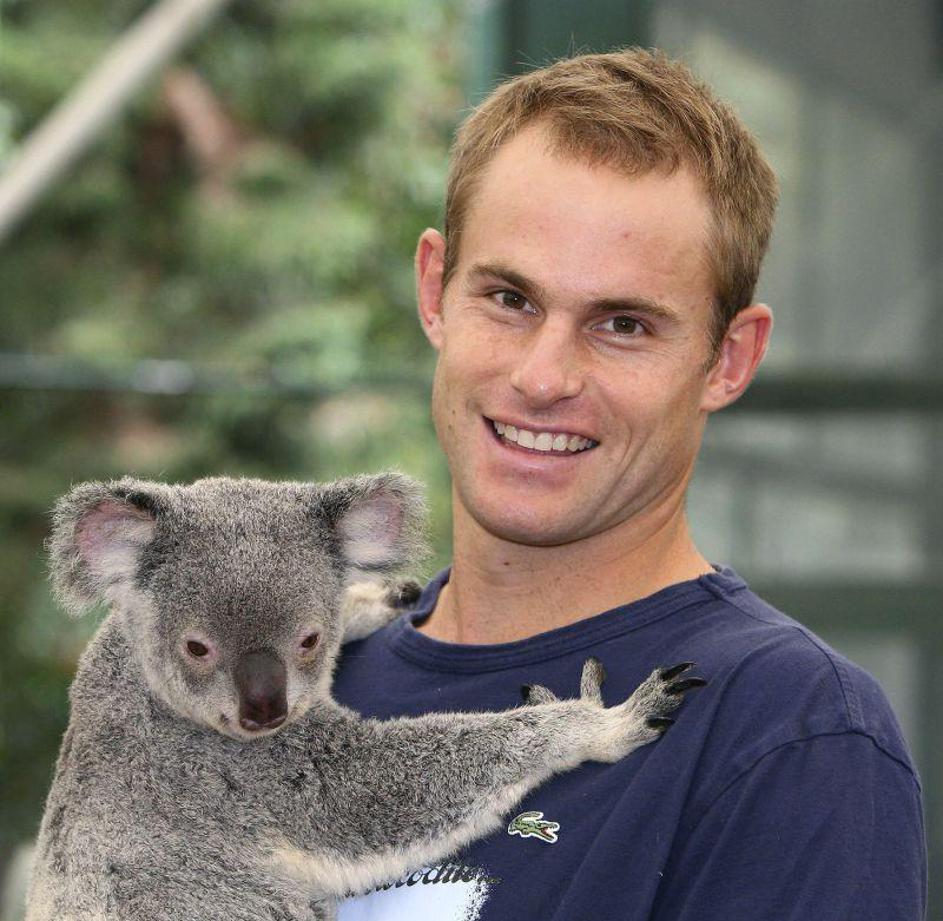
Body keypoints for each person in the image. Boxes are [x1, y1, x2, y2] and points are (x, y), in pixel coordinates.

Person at [332, 48, 927, 920]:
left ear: (728, 360)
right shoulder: (293, 682)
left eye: (621, 324)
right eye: (509, 299)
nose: (542, 376)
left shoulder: (786, 734)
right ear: (434, 289)